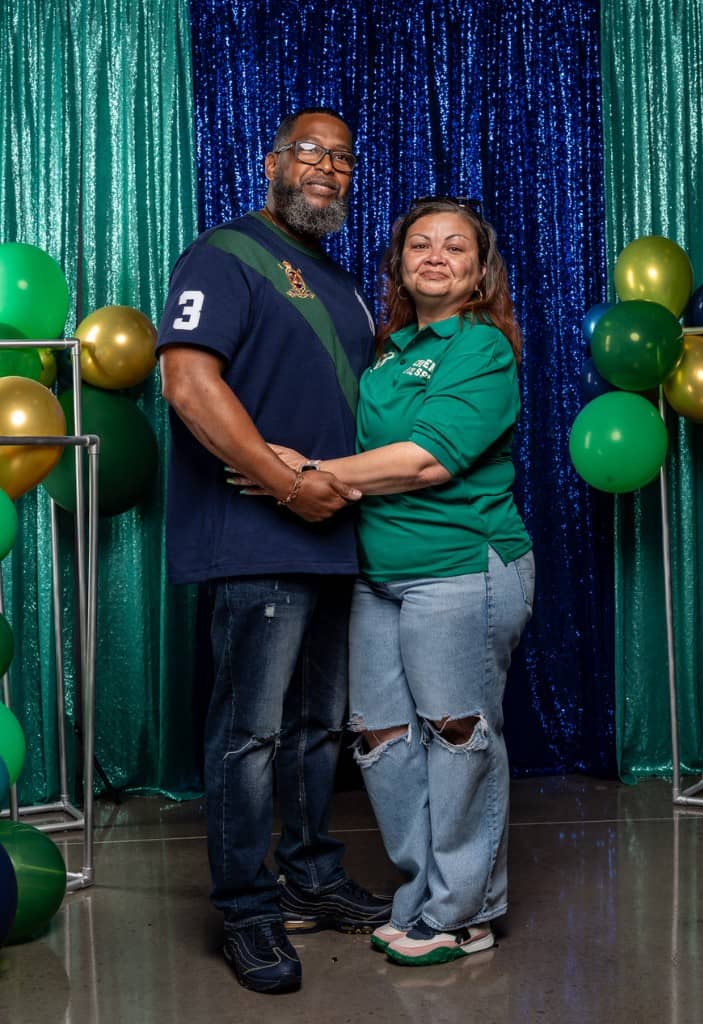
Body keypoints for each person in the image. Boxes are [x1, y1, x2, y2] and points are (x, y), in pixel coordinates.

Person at [245, 196, 535, 967]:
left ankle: (465, 911)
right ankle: (422, 893)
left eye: (455, 247)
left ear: (479, 270)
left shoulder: (481, 347)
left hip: (460, 570)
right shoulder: (389, 349)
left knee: (458, 738)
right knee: (379, 742)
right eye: (420, 245)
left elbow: (425, 460)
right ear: (400, 262)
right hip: (377, 575)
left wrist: (300, 472)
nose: (435, 256)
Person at [155, 107, 390, 996]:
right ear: (271, 162)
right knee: (249, 733)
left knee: (315, 728)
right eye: (309, 152)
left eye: (341, 157)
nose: (327, 168)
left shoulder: (336, 277)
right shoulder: (224, 254)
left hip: (335, 539)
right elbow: (186, 381)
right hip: (257, 536)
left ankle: (313, 875)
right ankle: (248, 911)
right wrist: (286, 482)